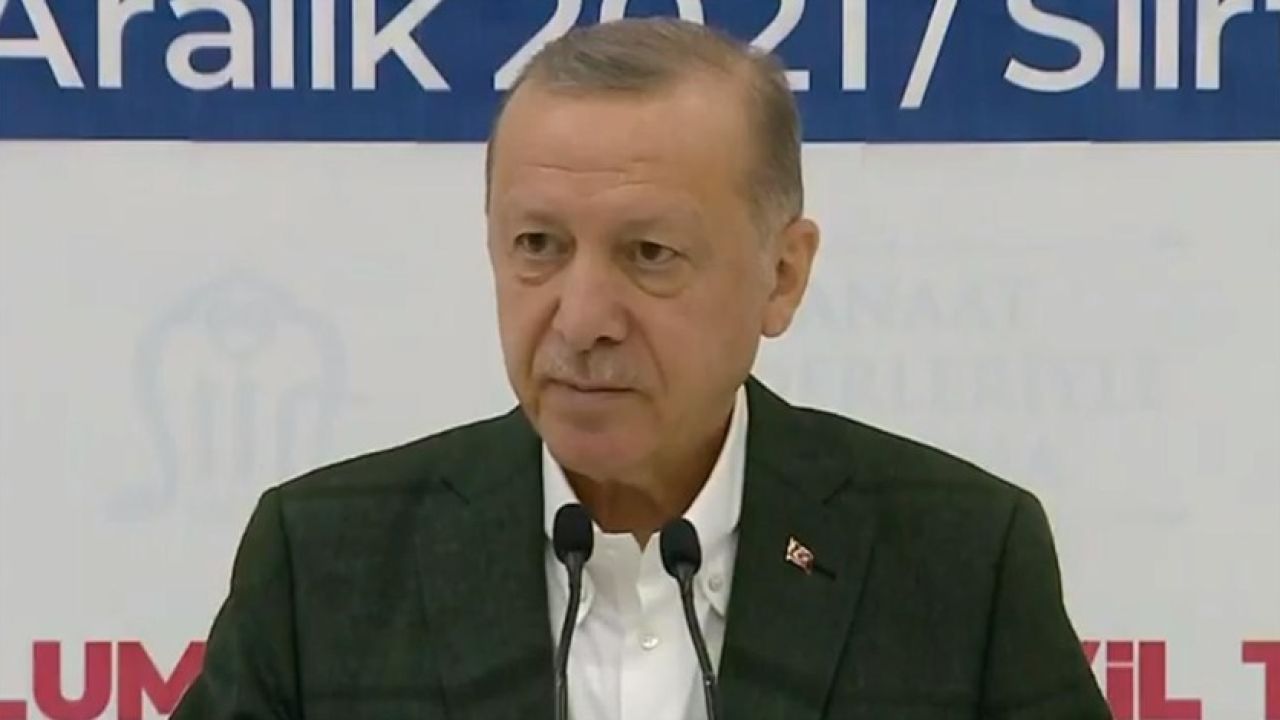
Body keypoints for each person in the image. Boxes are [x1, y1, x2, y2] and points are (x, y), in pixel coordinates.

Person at [171, 17, 1110, 720]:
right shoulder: (324, 561)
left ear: (783, 276)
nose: (582, 320)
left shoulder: (961, 561)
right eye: (539, 245)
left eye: (650, 254)